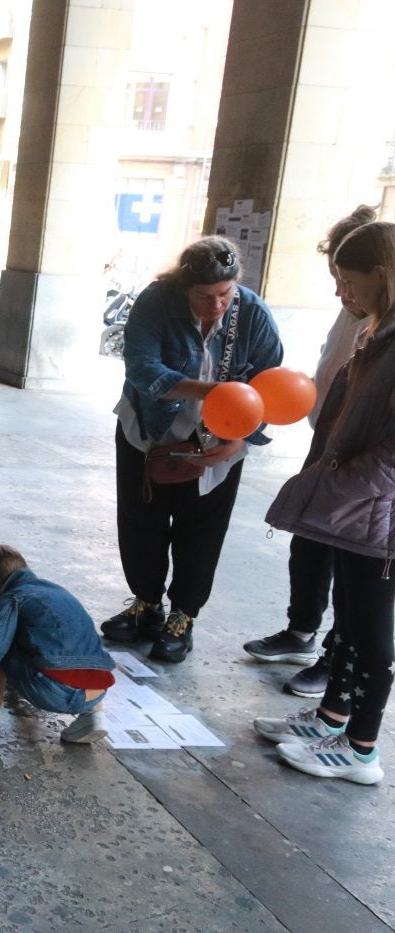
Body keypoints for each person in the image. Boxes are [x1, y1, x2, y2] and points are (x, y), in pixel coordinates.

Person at [253, 220, 395, 784]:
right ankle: (332, 717)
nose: (342, 294)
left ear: (381, 276)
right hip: (359, 510)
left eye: (348, 281)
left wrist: (338, 484)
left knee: (372, 633)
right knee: (351, 625)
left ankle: (361, 749)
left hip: (376, 511)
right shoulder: (379, 331)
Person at [102, 237, 283, 663]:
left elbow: (270, 386)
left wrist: (239, 438)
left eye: (225, 293)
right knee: (140, 522)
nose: (216, 304)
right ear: (184, 287)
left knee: (201, 531)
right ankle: (146, 604)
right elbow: (144, 369)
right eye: (204, 296)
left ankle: (182, 617)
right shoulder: (156, 301)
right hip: (147, 431)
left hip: (220, 443)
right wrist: (218, 392)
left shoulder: (253, 313)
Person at [242, 206, 377, 696]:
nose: (340, 291)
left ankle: (337, 668)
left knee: (354, 578)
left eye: (347, 280)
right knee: (309, 544)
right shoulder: (357, 312)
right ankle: (303, 633)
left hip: (361, 471)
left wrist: (348, 473)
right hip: (330, 446)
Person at [0, 545, 116, 744]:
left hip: (52, 691)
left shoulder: (12, 597)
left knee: (0, 642)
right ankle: (93, 717)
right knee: (81, 652)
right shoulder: (58, 592)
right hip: (97, 690)